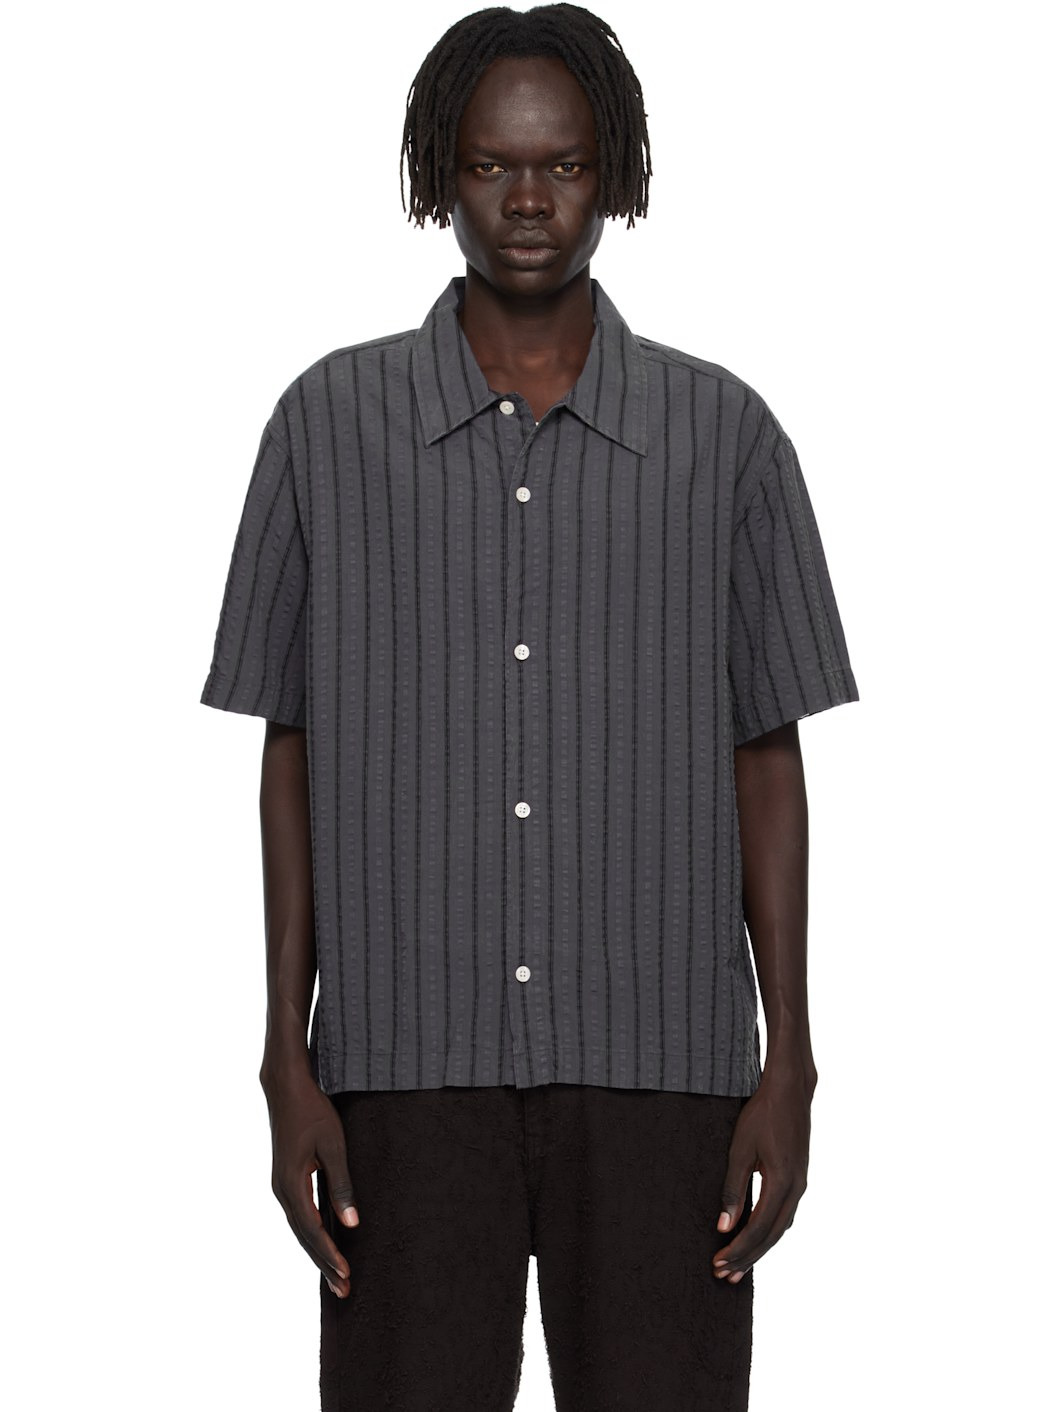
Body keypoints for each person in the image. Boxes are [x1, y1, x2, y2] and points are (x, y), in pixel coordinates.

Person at [199, 5, 860, 1408]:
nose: (527, 201)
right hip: (402, 1065)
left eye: (562, 165)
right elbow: (288, 753)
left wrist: (791, 1060)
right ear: (439, 173)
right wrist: (285, 1059)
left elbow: (768, 758)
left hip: (665, 1067)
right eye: (492, 165)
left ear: (613, 174)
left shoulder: (727, 439)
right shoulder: (324, 427)